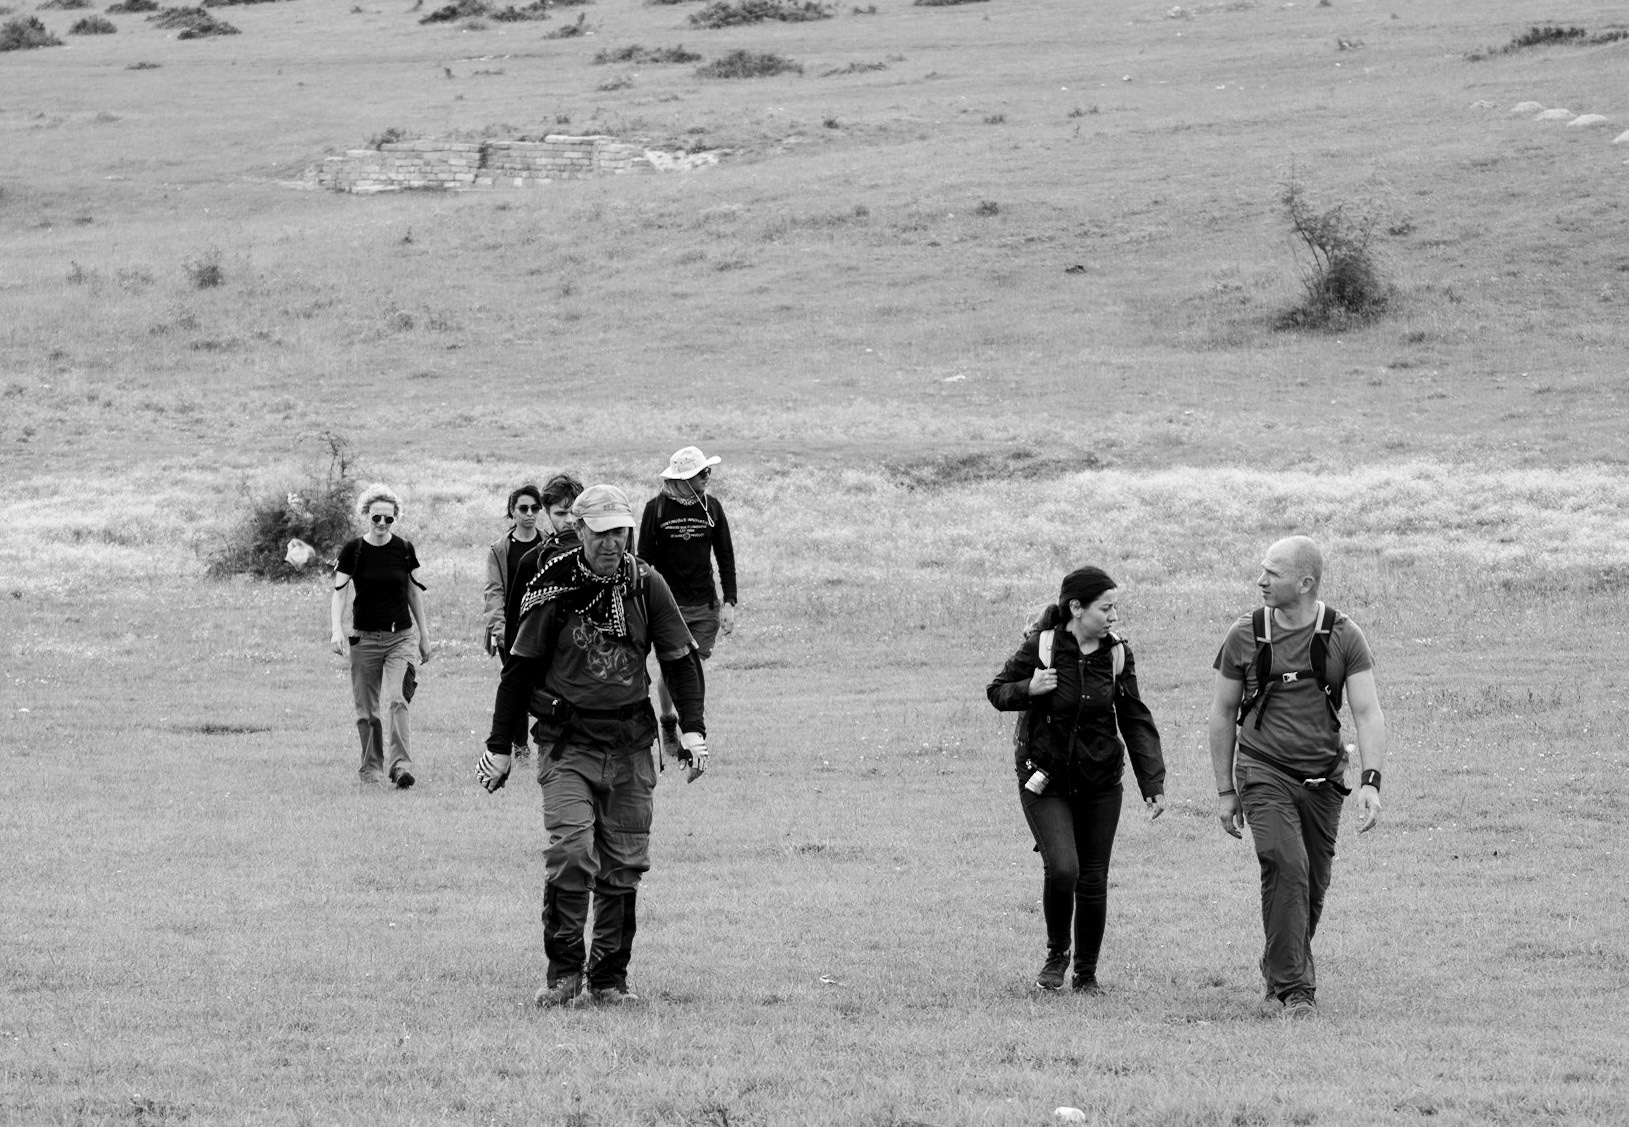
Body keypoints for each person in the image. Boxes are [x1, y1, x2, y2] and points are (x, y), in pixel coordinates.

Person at [477, 484, 708, 1008]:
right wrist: (498, 748)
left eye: (620, 532)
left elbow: (679, 659)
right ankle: (563, 974)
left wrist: (691, 729)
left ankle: (608, 979)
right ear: (580, 530)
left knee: (624, 863)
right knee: (572, 852)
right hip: (567, 745)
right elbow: (519, 671)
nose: (612, 543)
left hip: (630, 745)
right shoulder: (551, 588)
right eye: (601, 532)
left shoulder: (646, 584)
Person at [1208, 535, 1388, 1019]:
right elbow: (1224, 713)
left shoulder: (1344, 635)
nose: (1260, 580)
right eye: (1262, 569)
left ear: (1305, 583)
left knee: (1310, 886)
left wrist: (1371, 781)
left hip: (1324, 781)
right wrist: (1227, 790)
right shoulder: (1243, 634)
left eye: (1273, 573)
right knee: (1286, 866)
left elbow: (1367, 712)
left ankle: (1278, 963)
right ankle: (1296, 992)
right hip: (1263, 770)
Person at [986, 567, 1166, 994]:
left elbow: (1134, 718)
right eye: (1106, 607)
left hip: (1101, 781)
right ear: (1076, 608)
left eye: (1115, 607)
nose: (1114, 616)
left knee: (1092, 876)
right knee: (1064, 868)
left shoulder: (1117, 653)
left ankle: (1086, 974)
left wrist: (1152, 781)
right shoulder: (1043, 646)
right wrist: (1029, 688)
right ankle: (1055, 957)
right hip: (1044, 779)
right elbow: (997, 691)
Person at [637, 445, 736, 760]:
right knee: (678, 666)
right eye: (702, 472)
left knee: (688, 666)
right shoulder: (657, 509)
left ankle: (682, 725)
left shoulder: (713, 508)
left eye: (708, 471)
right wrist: (643, 606)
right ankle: (676, 725)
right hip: (668, 608)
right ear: (684, 477)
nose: (708, 476)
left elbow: (725, 556)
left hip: (705, 606)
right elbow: (643, 563)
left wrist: (729, 602)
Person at [330, 484, 432, 788]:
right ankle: (371, 770)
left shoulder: (404, 549)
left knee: (399, 700)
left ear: (395, 518)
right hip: (364, 639)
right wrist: (337, 628)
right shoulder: (353, 550)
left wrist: (425, 635)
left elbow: (414, 592)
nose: (382, 524)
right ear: (366, 515)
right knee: (367, 710)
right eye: (376, 518)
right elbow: (339, 593)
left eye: (388, 519)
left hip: (401, 637)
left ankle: (401, 767)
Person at [483, 483, 544, 759]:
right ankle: (520, 747)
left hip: (544, 626)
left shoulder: (548, 543)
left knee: (544, 686)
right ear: (512, 511)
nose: (529, 514)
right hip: (511, 629)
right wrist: (498, 628)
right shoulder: (499, 549)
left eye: (534, 508)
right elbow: (494, 591)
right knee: (516, 686)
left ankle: (547, 741)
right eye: (523, 508)